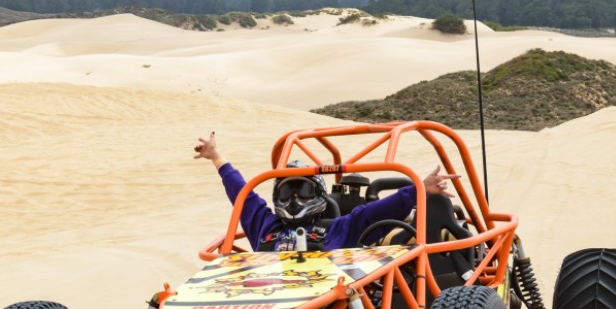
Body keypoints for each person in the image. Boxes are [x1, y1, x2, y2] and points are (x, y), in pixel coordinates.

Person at [194, 131, 459, 252]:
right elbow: (243, 195)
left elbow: (373, 214)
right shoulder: (264, 227)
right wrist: (216, 157)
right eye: (287, 193)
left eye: (304, 191)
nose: (295, 200)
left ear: (318, 196)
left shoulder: (337, 228)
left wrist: (419, 190)